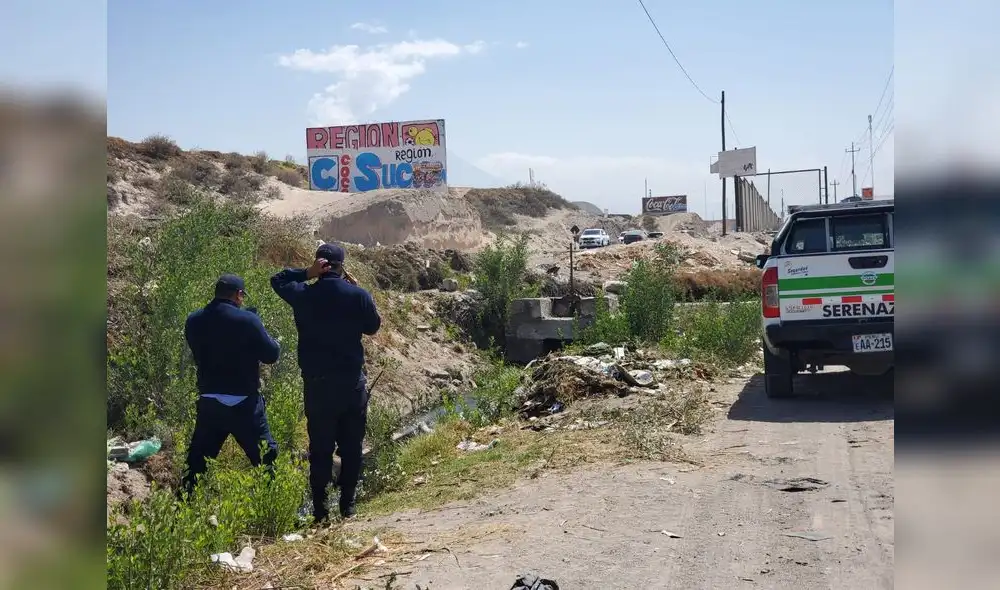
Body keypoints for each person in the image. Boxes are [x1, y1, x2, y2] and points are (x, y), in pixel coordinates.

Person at [270, 243, 381, 522]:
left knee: (320, 448)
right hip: (350, 384)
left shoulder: (304, 294)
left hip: (318, 385)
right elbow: (373, 326)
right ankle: (348, 505)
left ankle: (320, 511)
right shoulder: (357, 295)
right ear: (342, 266)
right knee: (352, 446)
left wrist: (306, 273)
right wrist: (360, 292)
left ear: (320, 265)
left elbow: (278, 280)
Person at [181, 274, 281, 498]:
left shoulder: (194, 320)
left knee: (195, 467)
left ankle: (180, 514)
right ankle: (274, 509)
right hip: (244, 404)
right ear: (239, 295)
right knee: (266, 461)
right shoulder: (248, 321)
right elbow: (271, 354)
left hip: (209, 404)